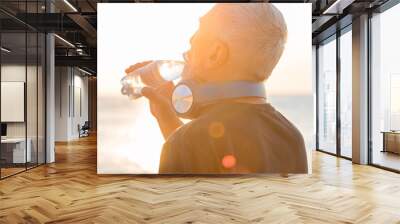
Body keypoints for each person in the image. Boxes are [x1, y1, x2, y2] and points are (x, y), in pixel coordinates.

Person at [125, 3, 308, 174]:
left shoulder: (183, 142)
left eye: (191, 48)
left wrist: (176, 141)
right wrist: (167, 118)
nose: (185, 60)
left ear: (214, 55)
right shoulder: (292, 137)